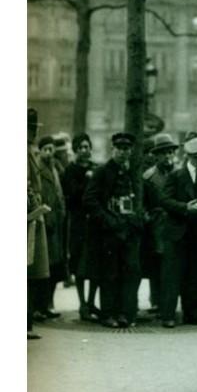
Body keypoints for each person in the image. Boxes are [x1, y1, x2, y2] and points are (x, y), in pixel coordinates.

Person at [83, 132, 144, 328]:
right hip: (109, 232)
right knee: (109, 274)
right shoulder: (102, 172)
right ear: (113, 149)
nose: (123, 153)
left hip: (129, 231)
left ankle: (125, 314)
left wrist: (138, 217)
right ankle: (108, 314)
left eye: (127, 149)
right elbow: (89, 200)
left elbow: (139, 198)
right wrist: (108, 219)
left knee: (129, 273)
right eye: (119, 149)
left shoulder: (133, 172)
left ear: (131, 151)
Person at [160, 136, 197, 327]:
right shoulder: (176, 176)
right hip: (178, 233)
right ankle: (168, 315)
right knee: (173, 275)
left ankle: (193, 314)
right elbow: (165, 201)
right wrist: (186, 207)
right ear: (189, 157)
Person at [61, 133, 100, 321]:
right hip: (78, 222)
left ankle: (92, 301)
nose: (85, 150)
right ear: (76, 150)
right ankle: (82, 303)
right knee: (79, 264)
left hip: (94, 223)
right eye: (81, 147)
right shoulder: (71, 170)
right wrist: (87, 180)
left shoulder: (95, 168)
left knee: (94, 264)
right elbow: (72, 195)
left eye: (87, 147)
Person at [142, 133, 178, 313]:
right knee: (155, 264)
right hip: (155, 227)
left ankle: (168, 302)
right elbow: (143, 202)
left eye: (170, 152)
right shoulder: (148, 177)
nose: (168, 156)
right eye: (164, 153)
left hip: (175, 226)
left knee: (171, 266)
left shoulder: (178, 173)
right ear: (156, 155)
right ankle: (156, 300)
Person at [33, 136, 67, 320]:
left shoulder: (55, 167)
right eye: (45, 149)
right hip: (46, 222)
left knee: (54, 267)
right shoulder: (38, 166)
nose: (48, 152)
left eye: (51, 149)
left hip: (56, 222)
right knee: (43, 268)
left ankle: (48, 303)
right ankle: (40, 306)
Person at [28, 109, 50, 340]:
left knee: (32, 272)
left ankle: (28, 322)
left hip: (33, 217)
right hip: (28, 217)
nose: (33, 133)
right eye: (32, 128)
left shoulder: (30, 151)